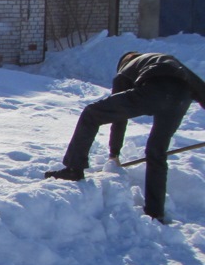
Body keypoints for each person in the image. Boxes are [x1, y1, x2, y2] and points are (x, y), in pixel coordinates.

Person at [45, 51, 205, 221]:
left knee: (91, 114)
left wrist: (114, 153)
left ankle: (73, 169)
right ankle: (155, 212)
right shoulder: (169, 60)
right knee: (156, 152)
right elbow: (201, 88)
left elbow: (119, 119)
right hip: (181, 97)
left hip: (154, 91)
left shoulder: (126, 71)